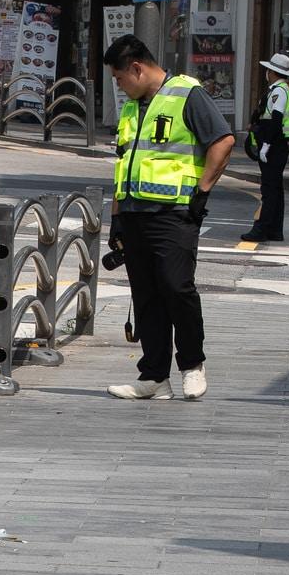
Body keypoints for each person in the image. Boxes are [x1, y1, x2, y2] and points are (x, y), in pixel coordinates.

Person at [102, 34, 233, 401]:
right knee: (146, 296)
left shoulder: (186, 94)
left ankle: (192, 365)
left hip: (174, 213)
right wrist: (117, 219)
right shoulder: (133, 108)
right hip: (133, 214)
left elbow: (222, 141)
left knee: (177, 289)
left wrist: (201, 193)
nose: (119, 86)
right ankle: (154, 377)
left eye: (120, 78)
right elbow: (124, 165)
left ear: (137, 68)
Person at [242, 52, 289, 243]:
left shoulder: (279, 91)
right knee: (275, 188)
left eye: (268, 70)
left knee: (269, 190)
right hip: (275, 145)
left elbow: (276, 120)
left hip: (274, 145)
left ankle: (261, 229)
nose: (266, 72)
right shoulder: (279, 89)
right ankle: (274, 230)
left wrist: (266, 145)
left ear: (272, 72)